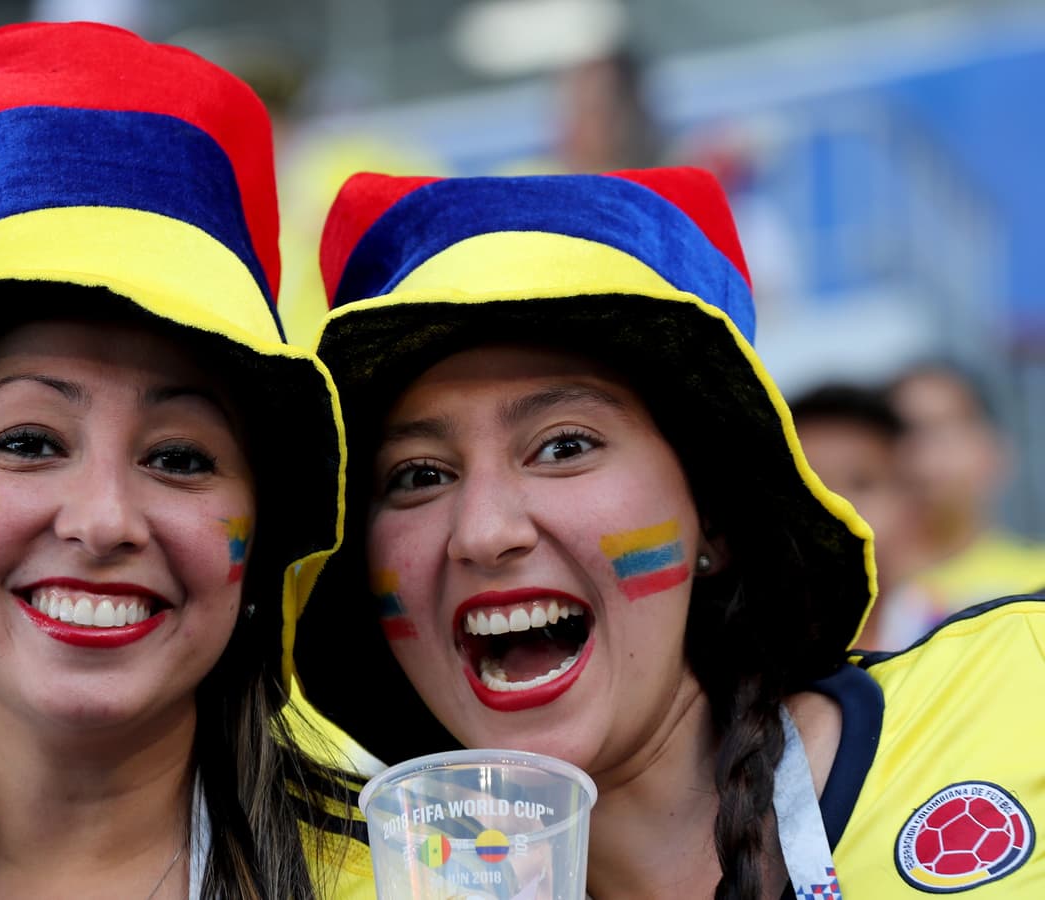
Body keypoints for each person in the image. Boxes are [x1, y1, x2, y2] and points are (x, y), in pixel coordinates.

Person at [294, 168, 1045, 897]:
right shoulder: (348, 883)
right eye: (419, 475)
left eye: (564, 446)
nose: (483, 533)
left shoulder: (1018, 700)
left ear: (711, 511)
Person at [0, 22, 372, 899]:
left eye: (179, 458)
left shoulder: (431, 878)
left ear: (262, 537)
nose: (102, 521)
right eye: (28, 443)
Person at [883, 359, 1045, 638]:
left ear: (995, 451)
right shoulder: (857, 595)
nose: (923, 454)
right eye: (904, 432)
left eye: (943, 431)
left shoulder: (1037, 577)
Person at [787, 382, 928, 650]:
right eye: (808, 486)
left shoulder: (964, 641)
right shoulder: (731, 655)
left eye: (861, 483)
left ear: (911, 507)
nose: (835, 505)